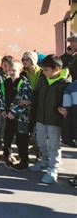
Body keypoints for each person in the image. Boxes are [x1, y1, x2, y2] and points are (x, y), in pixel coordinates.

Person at [30, 55, 71, 184]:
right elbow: (36, 95)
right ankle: (44, 161)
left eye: (46, 69)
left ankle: (53, 169)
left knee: (54, 144)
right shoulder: (43, 79)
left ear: (57, 69)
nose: (43, 71)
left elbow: (68, 101)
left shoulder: (65, 83)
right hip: (40, 117)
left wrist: (63, 108)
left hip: (55, 120)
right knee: (40, 141)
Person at [3, 59, 33, 171]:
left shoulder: (25, 84)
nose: (11, 72)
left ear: (20, 70)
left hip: (21, 117)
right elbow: (2, 97)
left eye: (14, 70)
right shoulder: (6, 82)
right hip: (8, 116)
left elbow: (24, 101)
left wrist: (13, 112)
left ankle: (24, 161)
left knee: (21, 139)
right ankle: (7, 156)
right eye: (9, 69)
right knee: (7, 137)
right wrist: (3, 110)